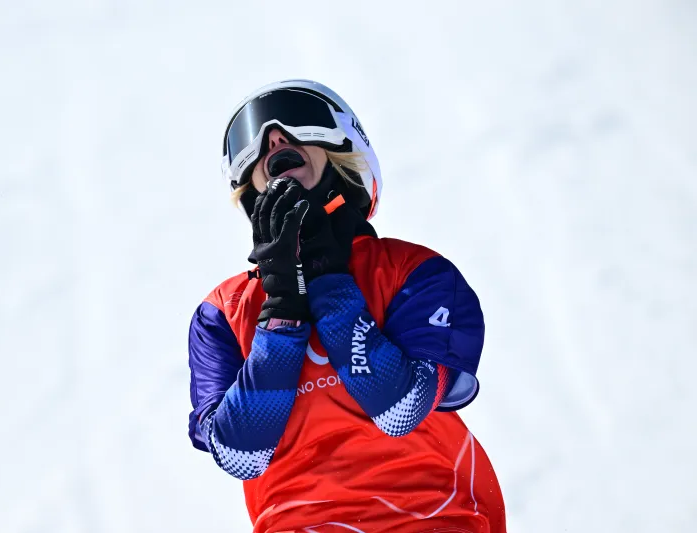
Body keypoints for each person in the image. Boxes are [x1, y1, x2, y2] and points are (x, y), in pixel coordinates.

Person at [188, 79, 506, 533]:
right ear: (247, 184)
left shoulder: (413, 273)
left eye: (298, 118)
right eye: (248, 140)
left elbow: (399, 407)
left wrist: (330, 285)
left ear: (342, 148)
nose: (273, 138)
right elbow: (241, 454)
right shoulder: (223, 312)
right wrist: (282, 314)